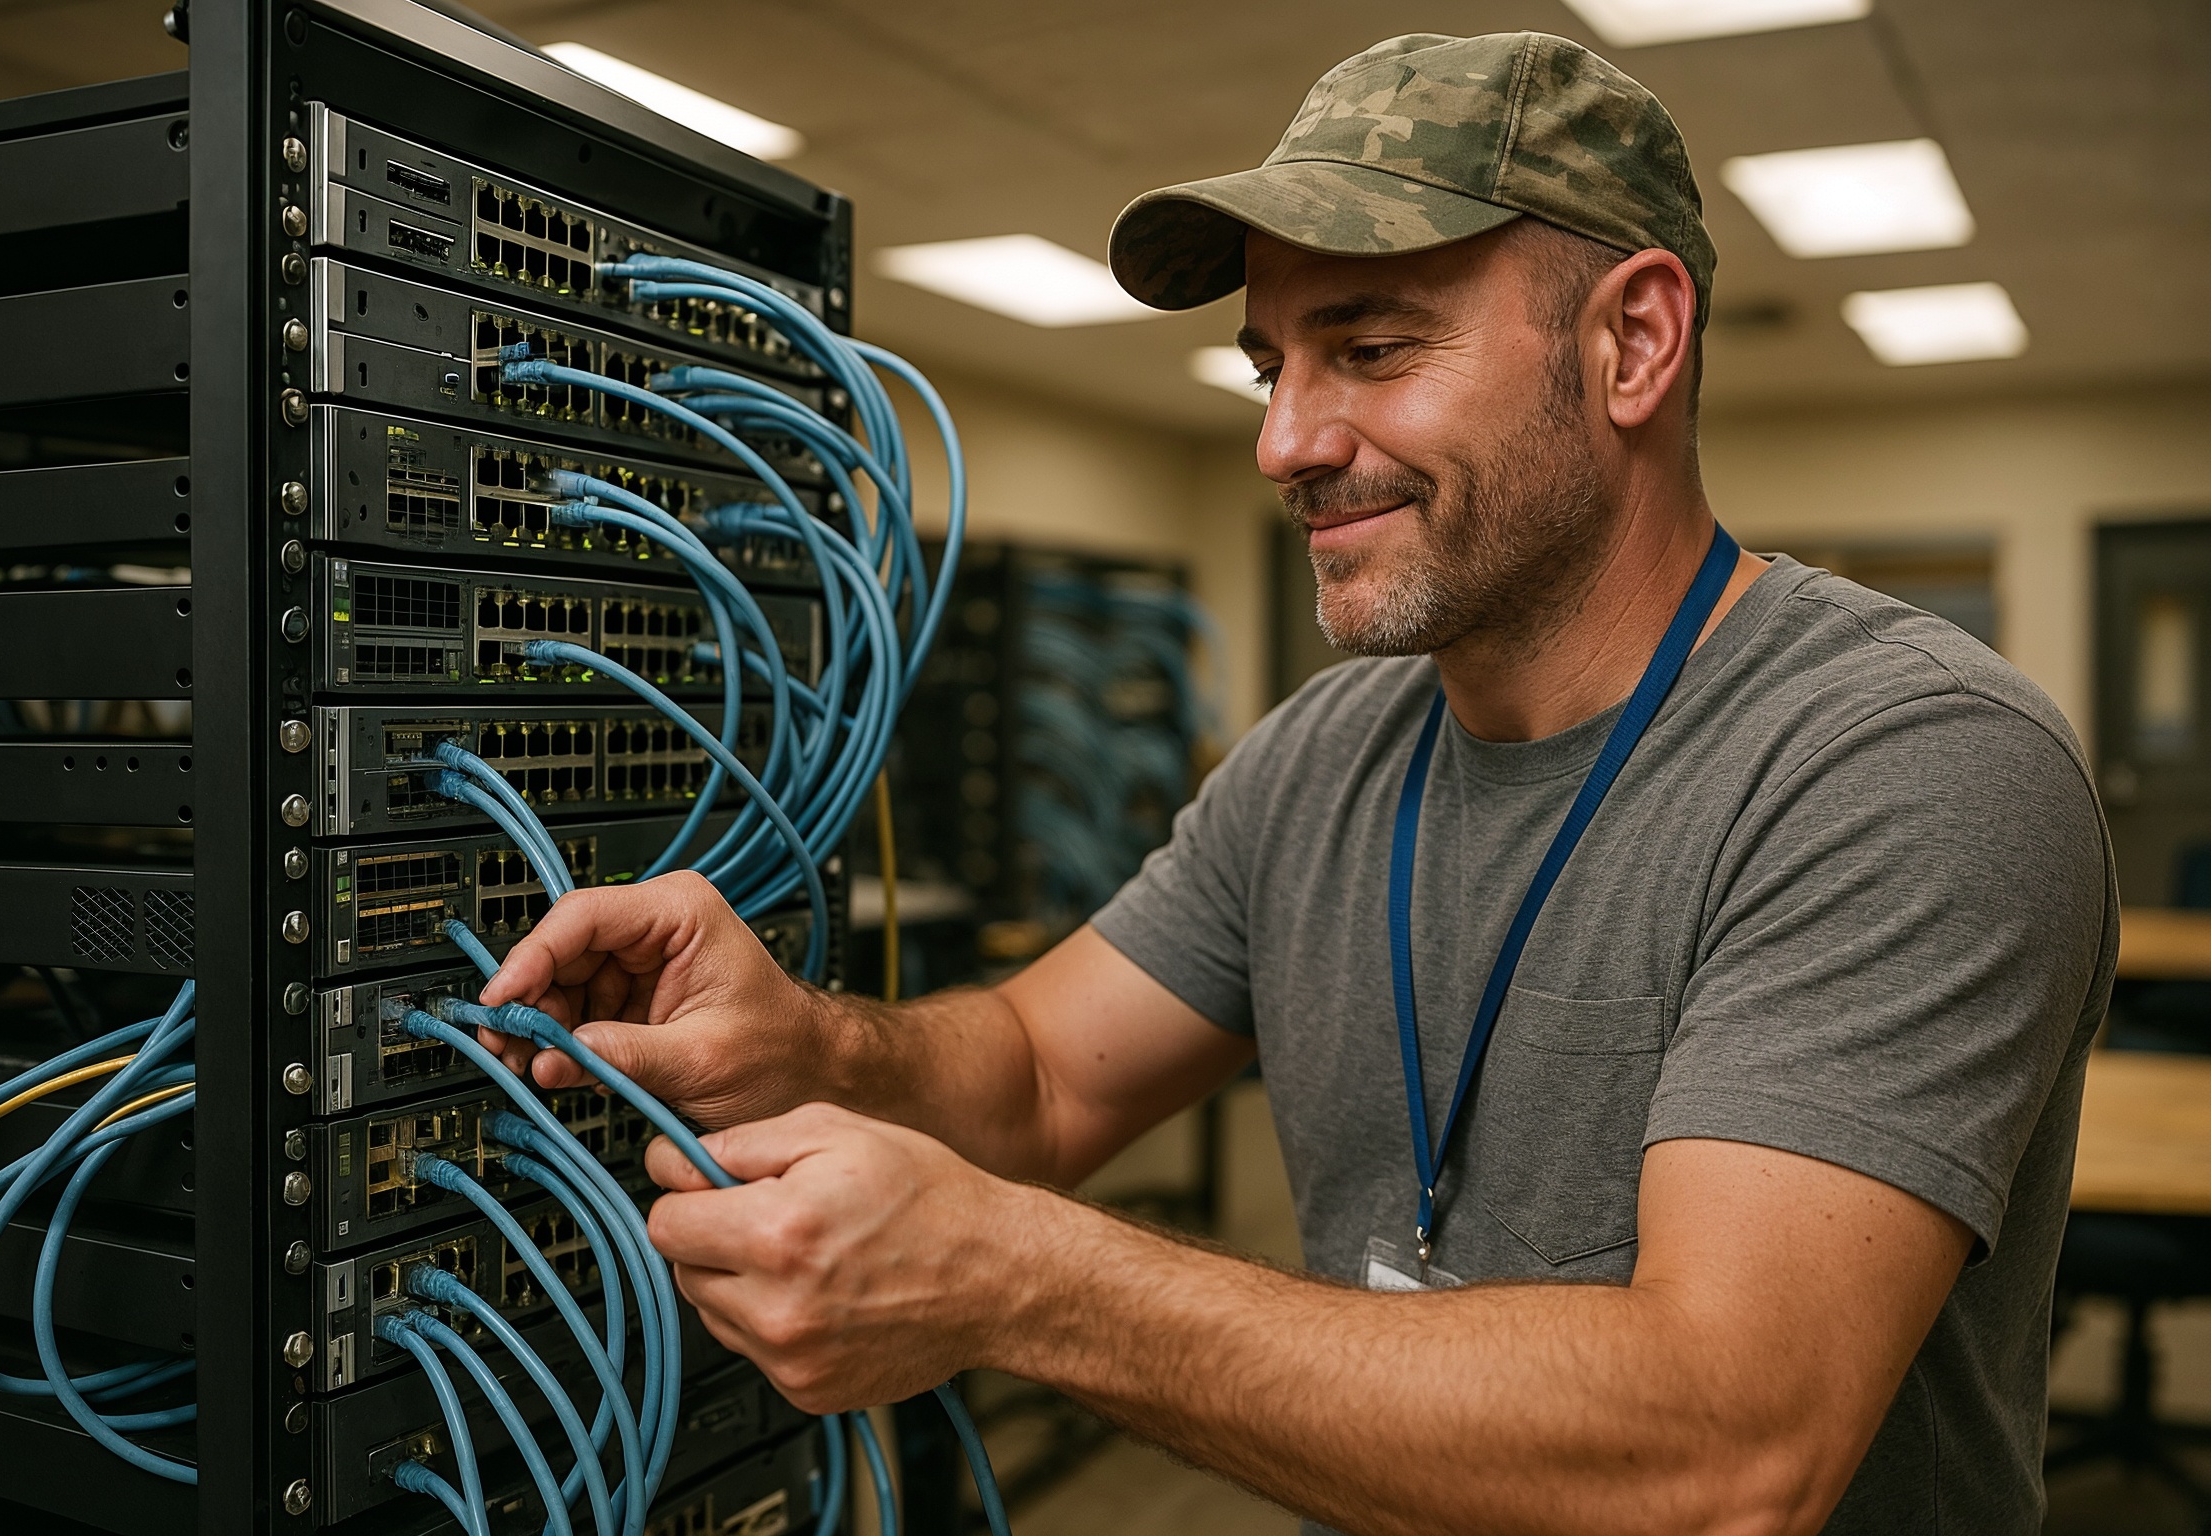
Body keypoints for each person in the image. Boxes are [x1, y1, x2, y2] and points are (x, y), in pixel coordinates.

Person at [479, 31, 2115, 1536]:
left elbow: (1725, 1453)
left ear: (1634, 341)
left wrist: (1021, 1281)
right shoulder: (1325, 760)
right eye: (1275, 367)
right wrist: (804, 1040)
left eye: (1375, 347)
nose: (1287, 442)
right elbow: (1045, 1075)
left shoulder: (1904, 763)